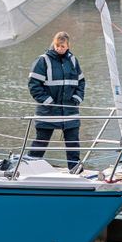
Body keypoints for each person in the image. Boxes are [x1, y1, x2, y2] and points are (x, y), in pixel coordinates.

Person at [27, 31, 85, 171]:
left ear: (68, 45)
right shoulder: (43, 60)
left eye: (63, 46)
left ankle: (75, 169)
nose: (60, 48)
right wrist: (48, 101)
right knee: (41, 142)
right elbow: (34, 85)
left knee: (73, 142)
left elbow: (81, 82)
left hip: (70, 110)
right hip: (48, 110)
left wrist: (76, 98)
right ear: (54, 44)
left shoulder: (73, 60)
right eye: (57, 45)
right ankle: (29, 166)